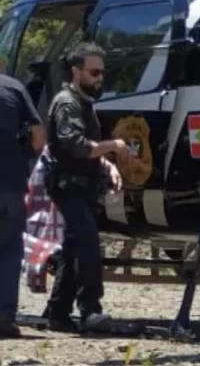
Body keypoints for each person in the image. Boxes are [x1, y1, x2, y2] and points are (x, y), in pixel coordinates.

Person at [42, 42, 128, 334]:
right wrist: (113, 146)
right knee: (87, 242)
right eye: (94, 72)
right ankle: (90, 310)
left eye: (102, 72)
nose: (100, 78)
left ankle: (58, 312)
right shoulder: (68, 103)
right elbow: (77, 146)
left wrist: (106, 164)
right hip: (69, 185)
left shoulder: (83, 102)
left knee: (74, 247)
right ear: (76, 71)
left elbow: (88, 149)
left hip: (84, 184)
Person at [0, 63, 45, 338]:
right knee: (9, 248)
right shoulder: (14, 87)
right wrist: (22, 152)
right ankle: (4, 317)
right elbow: (39, 137)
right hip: (10, 184)